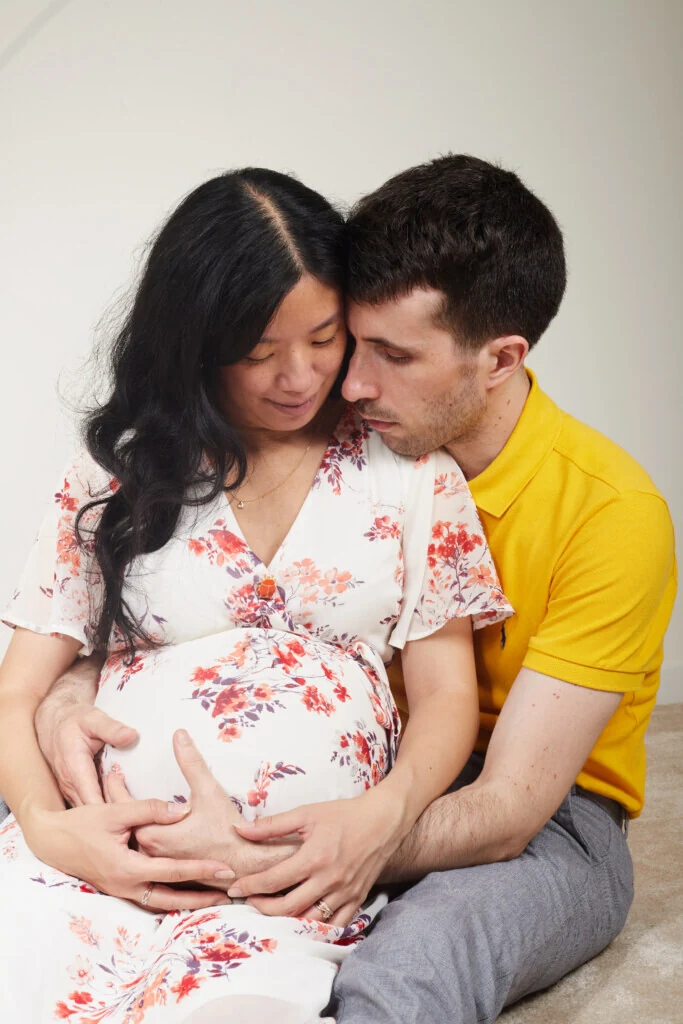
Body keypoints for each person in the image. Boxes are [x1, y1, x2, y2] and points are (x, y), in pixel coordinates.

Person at [24, 155, 676, 1022]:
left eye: (391, 355)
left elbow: (510, 805)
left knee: (414, 964)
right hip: (361, 766)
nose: (347, 383)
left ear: (499, 359)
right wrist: (69, 698)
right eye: (353, 342)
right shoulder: (296, 434)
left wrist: (263, 853)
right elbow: (142, 612)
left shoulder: (606, 512)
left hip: (529, 805)